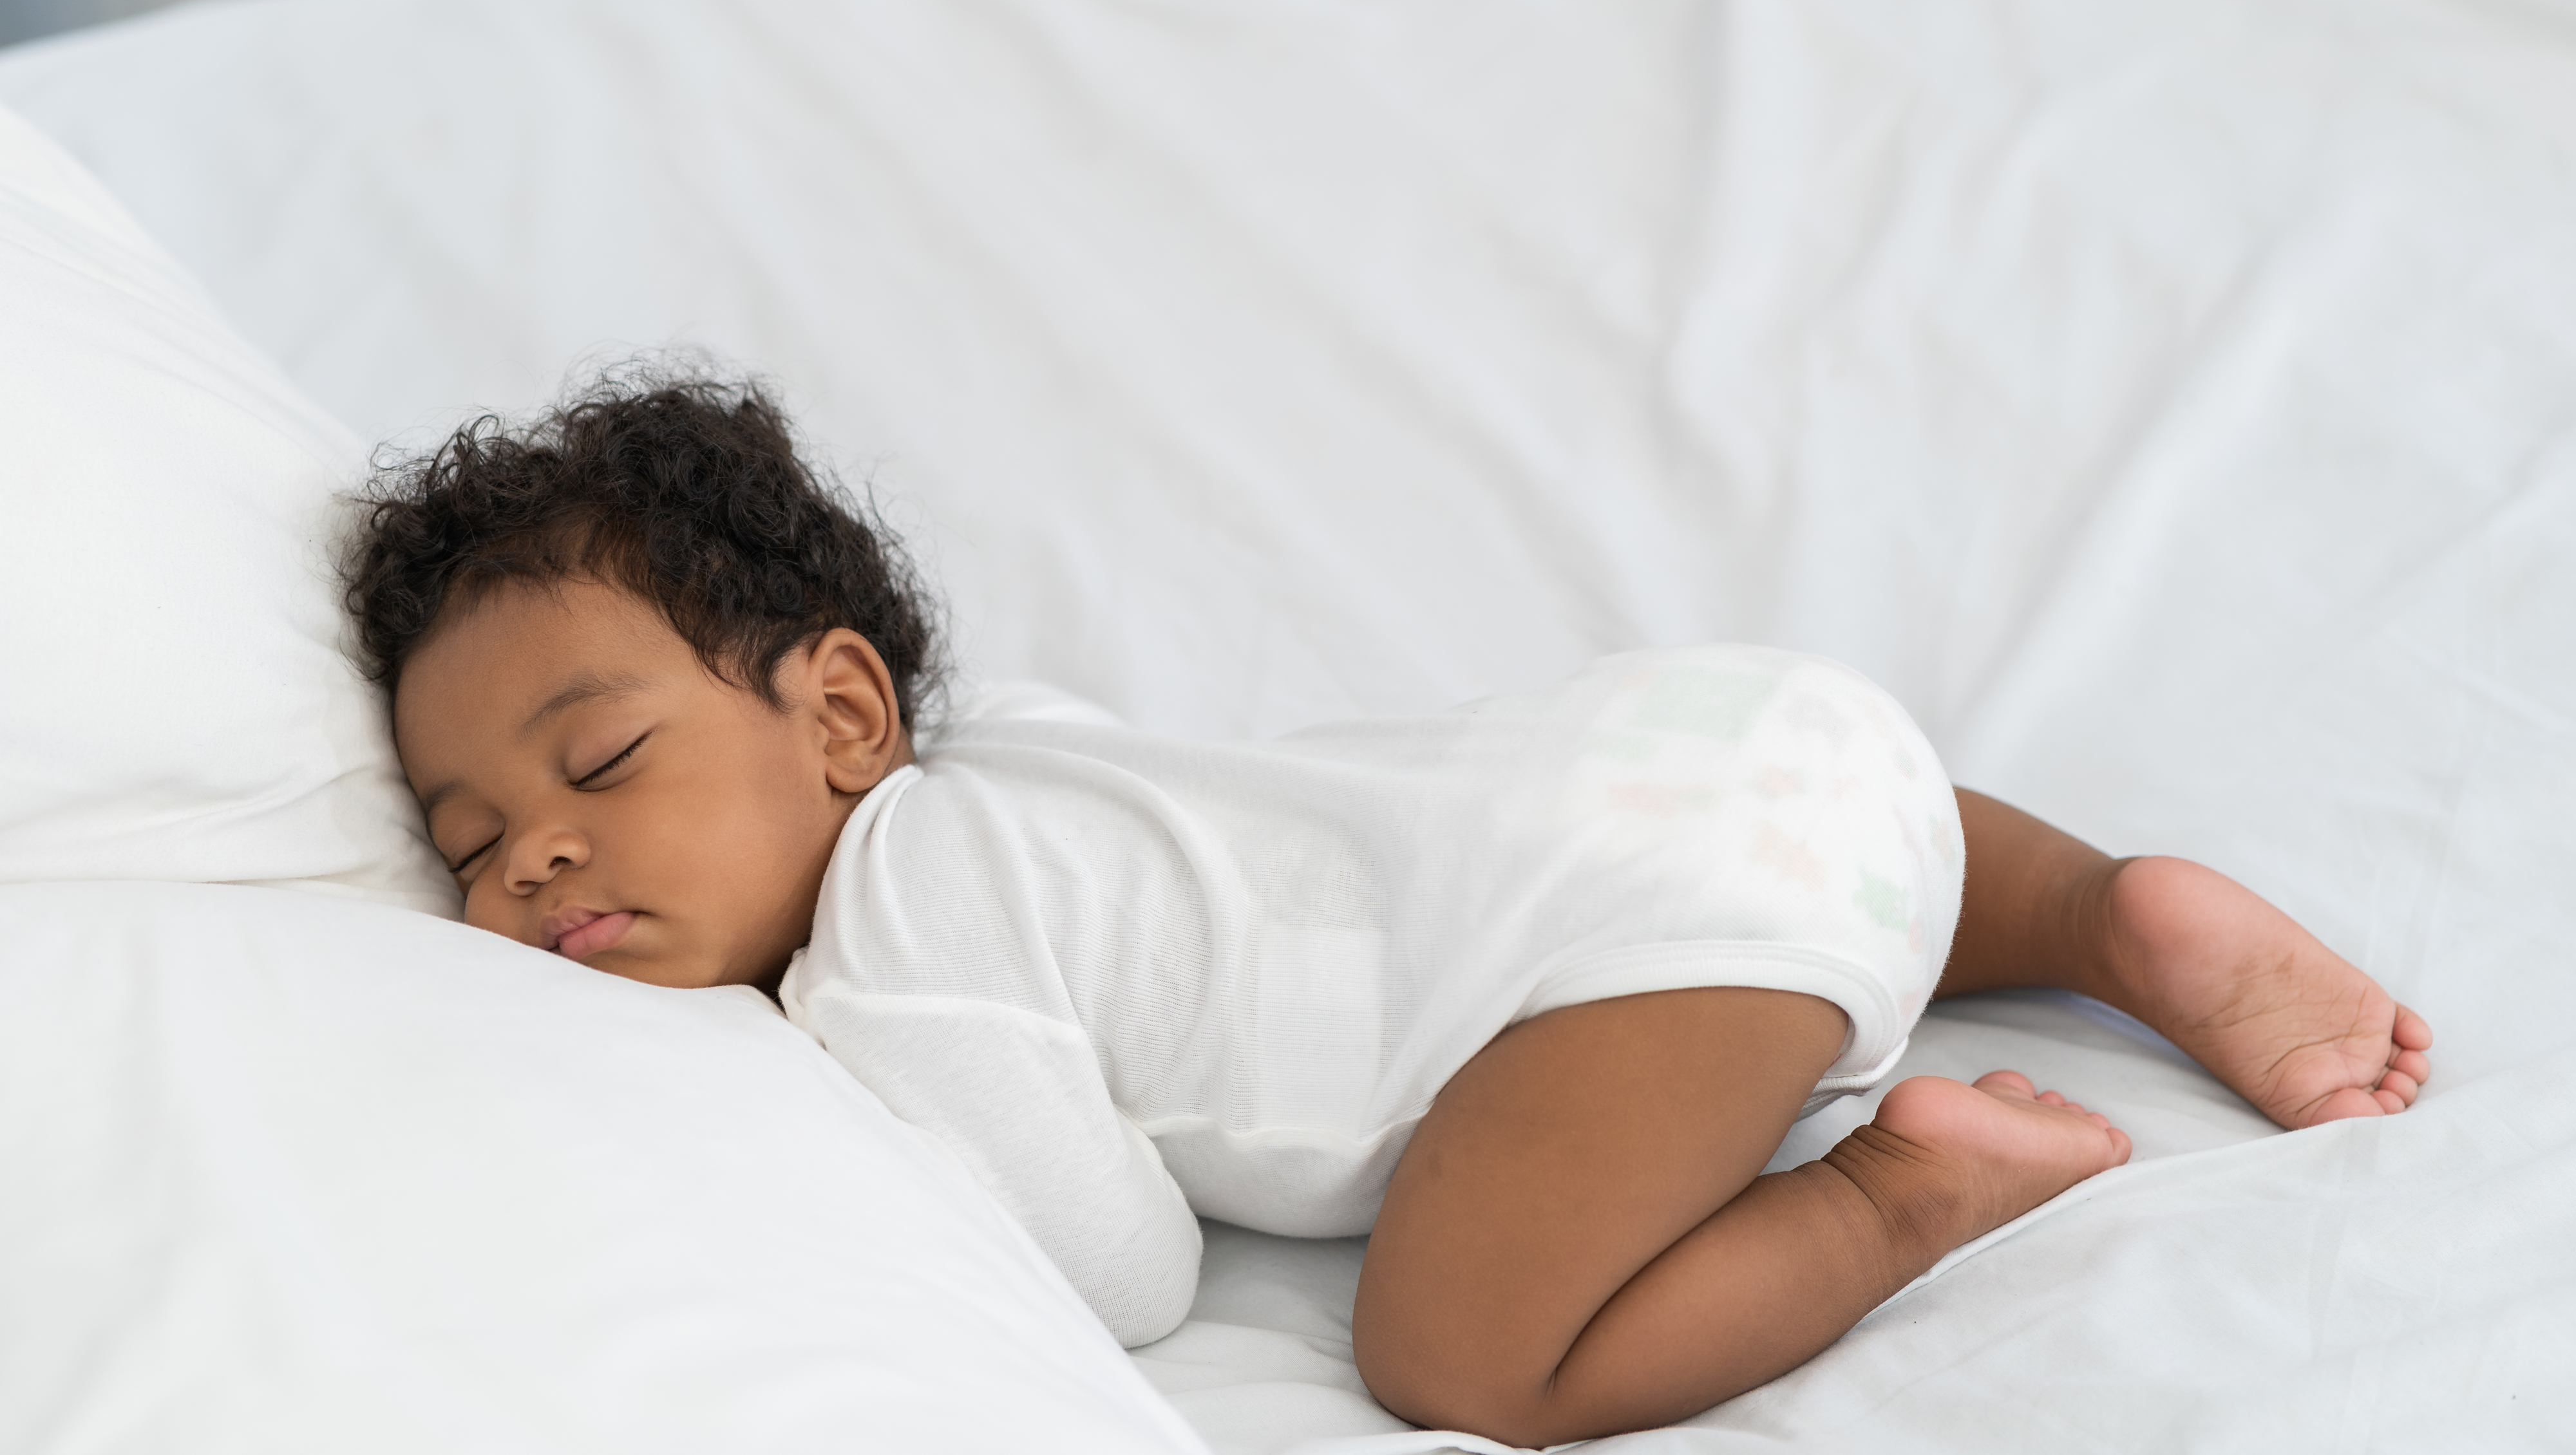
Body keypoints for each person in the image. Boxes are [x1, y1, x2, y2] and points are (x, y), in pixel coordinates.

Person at [350, 372, 2431, 1447]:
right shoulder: (1029, 763)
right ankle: (2099, 910)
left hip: (1631, 952)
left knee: (1466, 1357)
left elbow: (1131, 1268)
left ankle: (1901, 1189)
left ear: (841, 713)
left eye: (598, 765)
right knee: (1839, 856)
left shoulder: (901, 942)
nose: (527, 853)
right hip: (1748, 742)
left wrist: (868, 1102)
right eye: (462, 836)